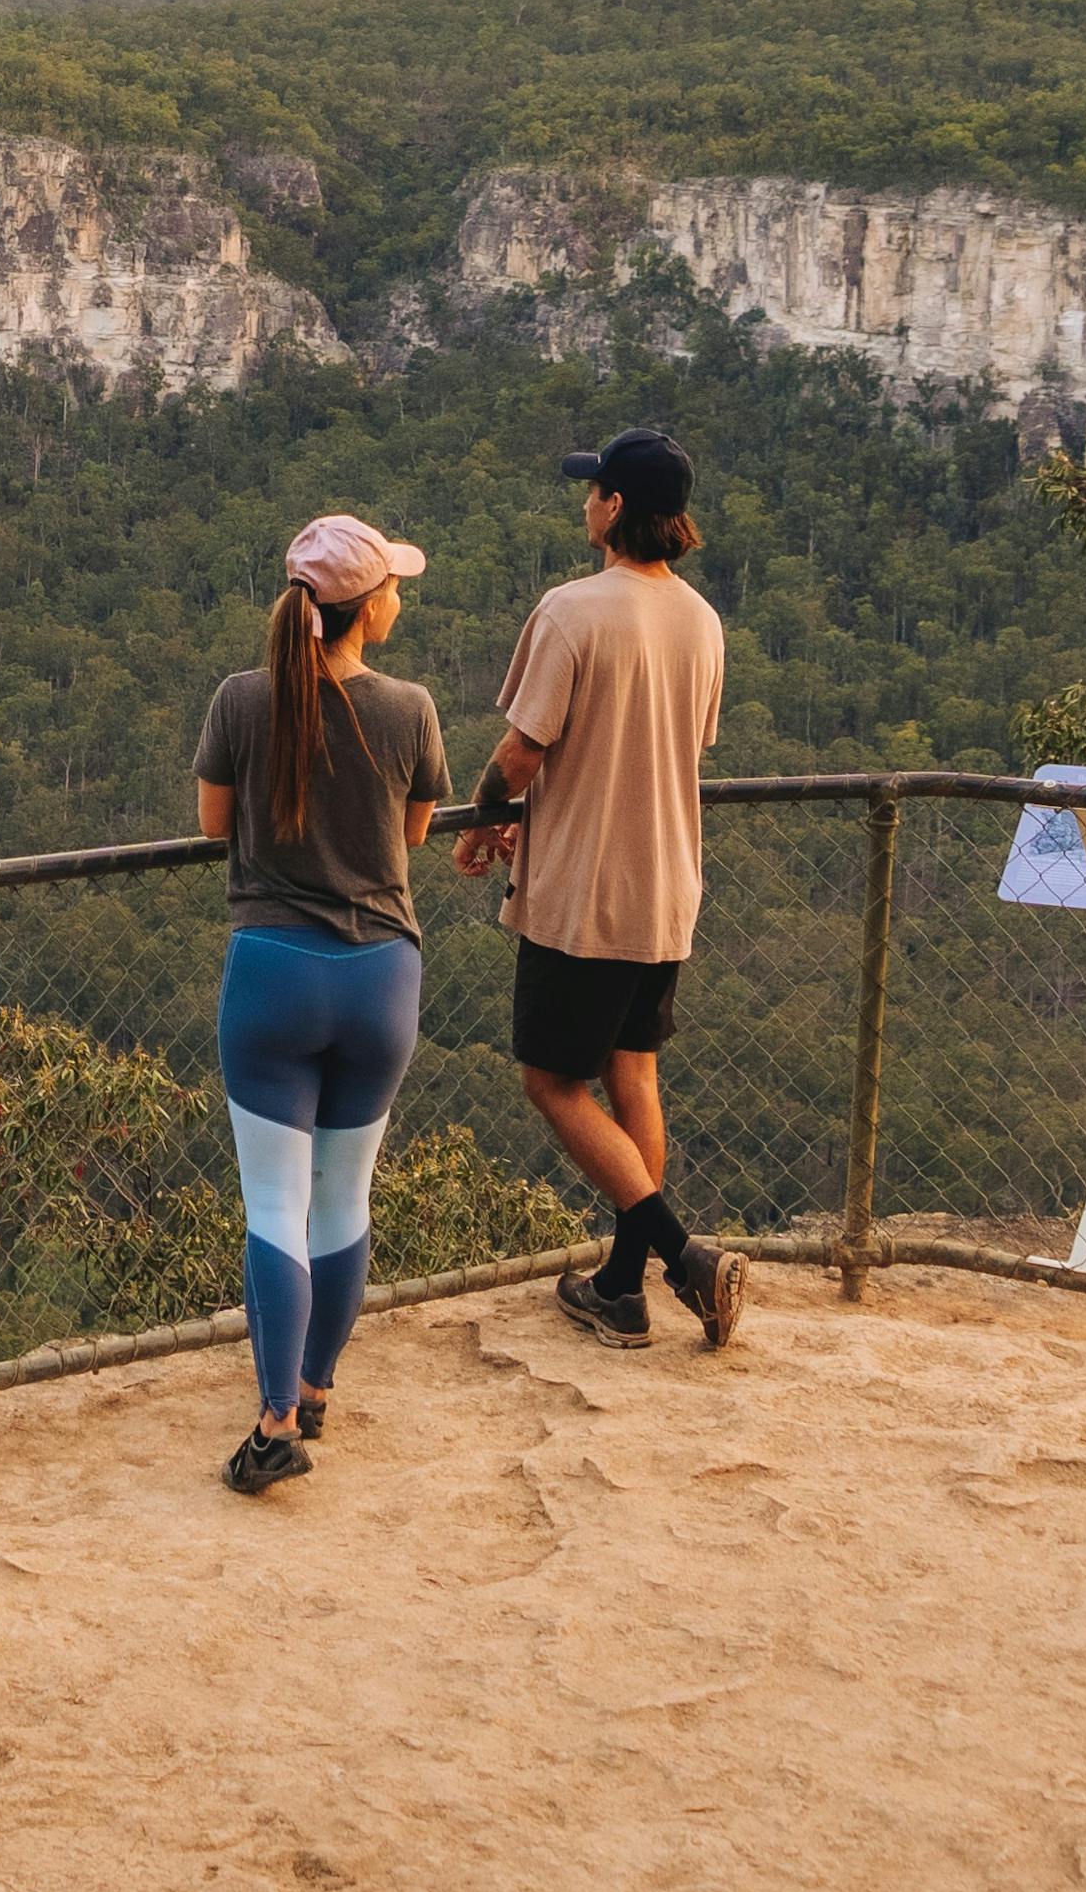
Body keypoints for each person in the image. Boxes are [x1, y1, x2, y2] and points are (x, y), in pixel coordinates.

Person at [463, 425, 739, 1347]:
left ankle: (678, 1256)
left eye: (593, 491)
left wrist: (488, 809)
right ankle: (622, 1289)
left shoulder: (572, 611)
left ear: (615, 508)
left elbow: (522, 751)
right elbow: (680, 745)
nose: (585, 502)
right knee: (633, 1071)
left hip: (583, 894)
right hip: (667, 886)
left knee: (551, 1082)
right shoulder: (702, 620)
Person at [188, 508, 442, 1496]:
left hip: (271, 975)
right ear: (361, 608)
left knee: (274, 1203)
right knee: (343, 1196)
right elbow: (412, 833)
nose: (396, 598)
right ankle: (318, 1385)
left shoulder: (241, 700)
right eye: (390, 586)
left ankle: (274, 1419)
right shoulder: (408, 708)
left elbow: (214, 820)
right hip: (380, 972)